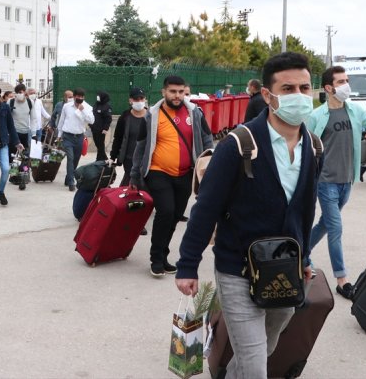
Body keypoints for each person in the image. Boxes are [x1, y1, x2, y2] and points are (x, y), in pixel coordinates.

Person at [175, 52, 320, 379]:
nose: (298, 95)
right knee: (255, 363)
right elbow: (206, 208)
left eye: (304, 87)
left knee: (262, 348)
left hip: (284, 268)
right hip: (237, 269)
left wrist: (305, 256)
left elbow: (306, 209)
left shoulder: (313, 146)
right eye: (288, 89)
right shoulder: (239, 145)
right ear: (268, 95)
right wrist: (187, 264)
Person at [308, 66, 366, 299]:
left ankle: (301, 252)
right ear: (329, 88)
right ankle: (342, 280)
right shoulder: (317, 116)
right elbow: (304, 146)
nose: (346, 85)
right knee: (335, 228)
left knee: (326, 223)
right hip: (325, 180)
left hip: (347, 179)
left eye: (347, 80)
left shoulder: (354, 110)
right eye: (341, 82)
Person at [130, 75, 214, 276]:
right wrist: (134, 174)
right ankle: (156, 259)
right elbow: (141, 146)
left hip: (185, 174)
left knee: (176, 215)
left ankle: (163, 254)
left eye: (180, 91)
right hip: (158, 172)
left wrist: (209, 164)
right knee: (166, 212)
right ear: (164, 92)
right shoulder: (152, 115)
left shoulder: (195, 113)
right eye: (172, 91)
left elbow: (207, 139)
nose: (177, 95)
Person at [57, 88, 95, 192]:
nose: (80, 98)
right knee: (70, 157)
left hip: (79, 137)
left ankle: (68, 177)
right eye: (78, 96)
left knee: (76, 159)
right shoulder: (67, 106)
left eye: (82, 97)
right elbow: (62, 120)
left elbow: (92, 120)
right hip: (67, 136)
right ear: (74, 97)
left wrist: (83, 110)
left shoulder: (87, 107)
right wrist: (59, 135)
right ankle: (71, 182)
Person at [111, 87, 149, 186]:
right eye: (136, 99)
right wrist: (112, 157)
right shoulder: (125, 117)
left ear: (145, 99)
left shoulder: (151, 116)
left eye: (141, 98)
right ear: (130, 100)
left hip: (147, 157)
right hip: (129, 158)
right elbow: (118, 138)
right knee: (131, 180)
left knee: (145, 182)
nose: (139, 101)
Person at [9, 83, 38, 153]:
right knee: (13, 154)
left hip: (25, 133)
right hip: (14, 133)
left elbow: (33, 119)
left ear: (25, 92)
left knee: (24, 155)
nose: (18, 94)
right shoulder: (11, 102)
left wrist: (34, 134)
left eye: (20, 92)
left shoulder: (30, 102)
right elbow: (6, 118)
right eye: (17, 93)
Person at [91, 91, 113, 161]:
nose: (98, 97)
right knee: (98, 144)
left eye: (99, 95)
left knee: (100, 145)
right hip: (94, 128)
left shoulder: (107, 107)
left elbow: (108, 118)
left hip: (101, 130)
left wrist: (105, 128)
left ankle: (102, 159)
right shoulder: (96, 104)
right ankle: (101, 158)